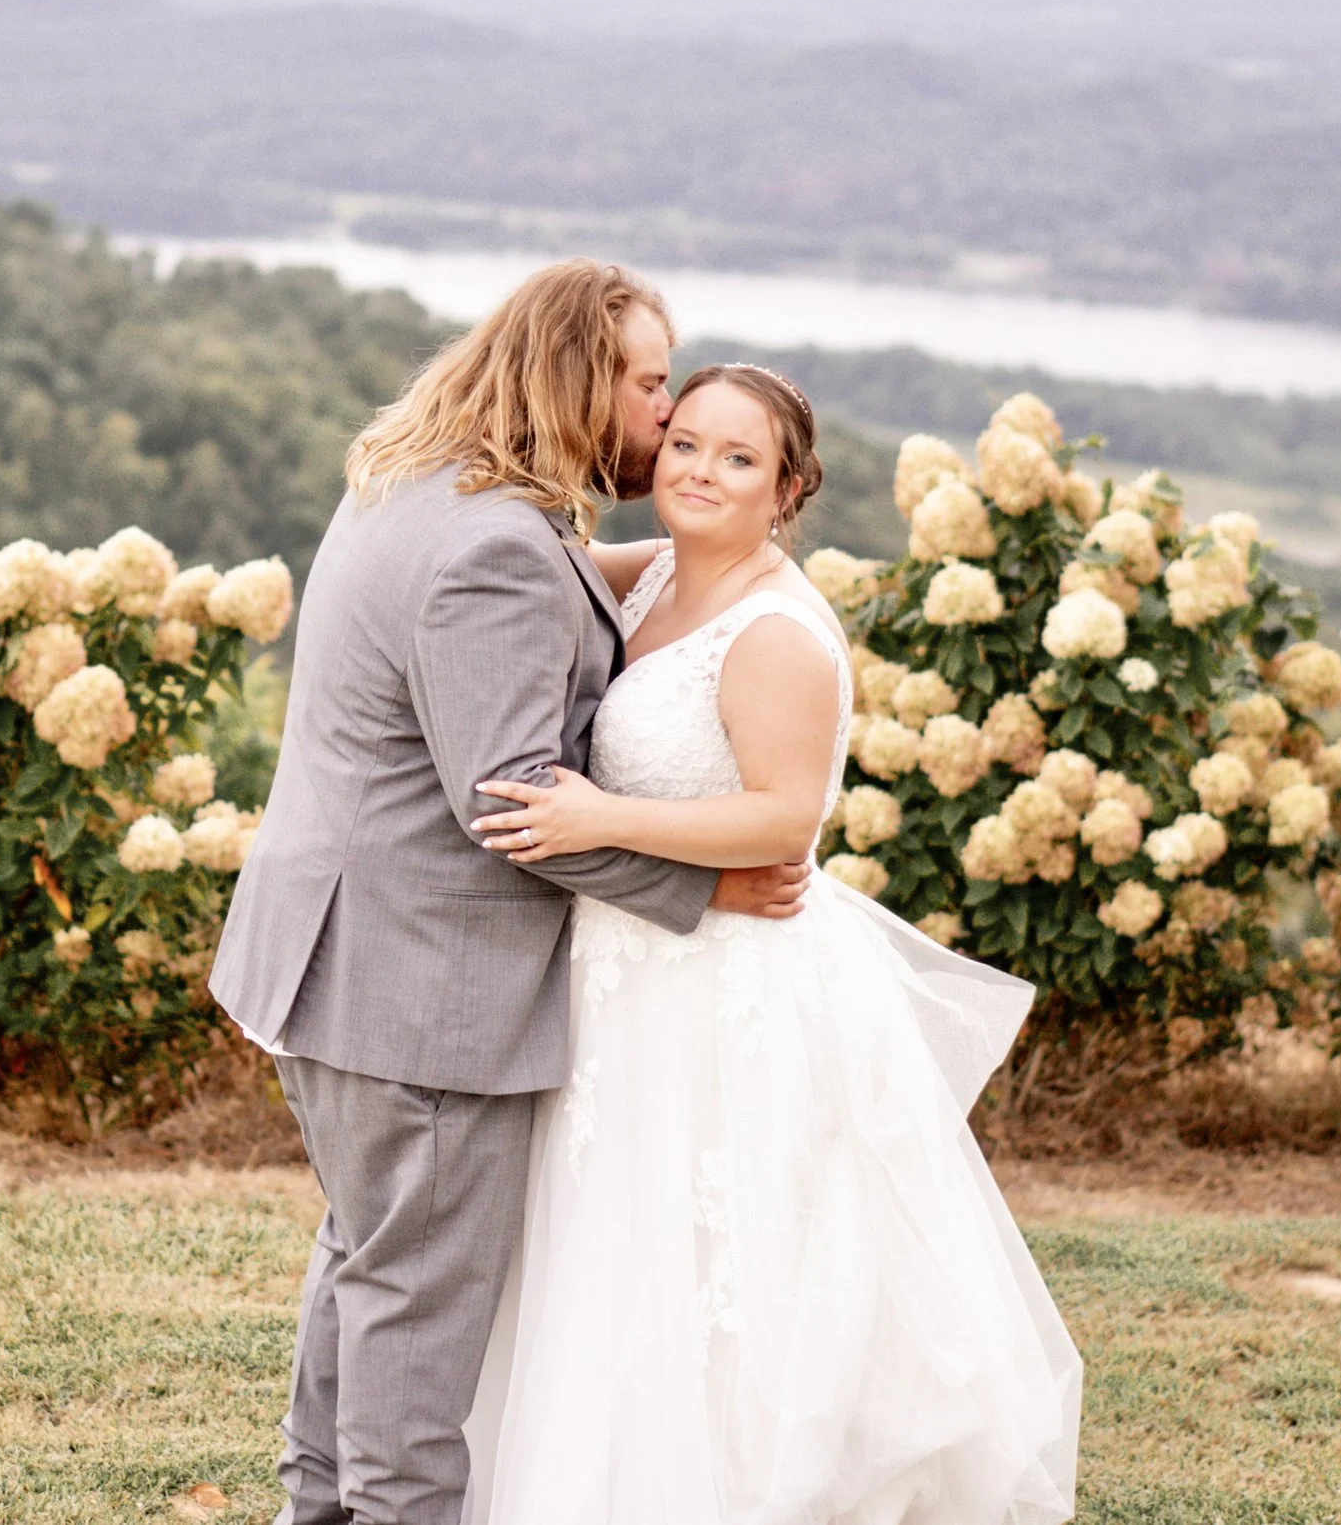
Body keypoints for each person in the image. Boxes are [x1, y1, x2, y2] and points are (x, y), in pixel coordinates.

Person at [209, 261, 812, 1525]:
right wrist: (704, 891)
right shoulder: (497, 547)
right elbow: (513, 808)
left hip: (334, 956)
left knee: (368, 1264)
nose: (662, 417)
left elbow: (570, 576)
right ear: (582, 378)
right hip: (418, 986)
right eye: (651, 385)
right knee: (415, 1311)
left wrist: (709, 550)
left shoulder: (417, 479)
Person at [457, 364, 1082, 1523]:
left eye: (736, 459)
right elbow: (507, 563)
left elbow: (782, 818)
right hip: (624, 970)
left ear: (787, 487)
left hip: (722, 980)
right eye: (683, 443)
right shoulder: (647, 580)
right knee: (607, 1258)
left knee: (721, 1269)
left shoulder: (779, 630)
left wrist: (600, 819)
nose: (698, 470)